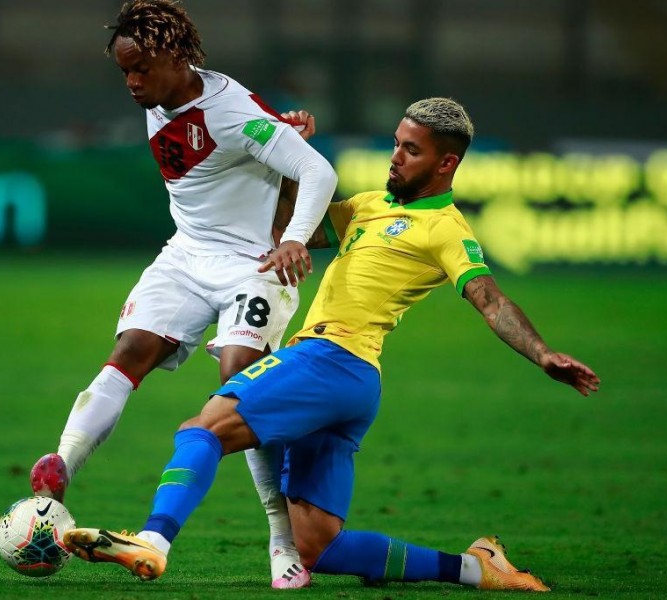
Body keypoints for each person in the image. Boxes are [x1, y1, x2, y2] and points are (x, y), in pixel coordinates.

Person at [60, 97, 601, 592]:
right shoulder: (367, 207)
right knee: (318, 545)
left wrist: (541, 352)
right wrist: (290, 152)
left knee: (201, 429)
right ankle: (476, 568)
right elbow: (284, 228)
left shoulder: (445, 228)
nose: (396, 157)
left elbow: (487, 297)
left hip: (332, 358)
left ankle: (153, 540)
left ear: (446, 164)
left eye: (411, 150)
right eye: (395, 143)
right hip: (352, 382)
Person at [28, 0, 336, 590]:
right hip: (186, 255)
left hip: (253, 265)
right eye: (124, 71)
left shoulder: (229, 110)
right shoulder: (168, 96)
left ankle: (281, 537)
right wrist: (282, 127)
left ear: (176, 56)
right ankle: (58, 469)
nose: (132, 83)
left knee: (241, 387)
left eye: (141, 68)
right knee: (127, 353)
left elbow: (317, 171)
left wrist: (294, 239)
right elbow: (267, 139)